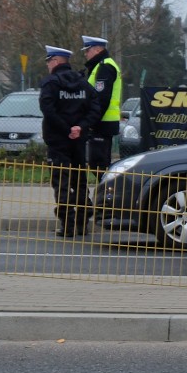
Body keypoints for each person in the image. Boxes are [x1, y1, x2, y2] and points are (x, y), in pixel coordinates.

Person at [39, 45, 101, 237]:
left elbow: (48, 111)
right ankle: (82, 224)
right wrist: (80, 127)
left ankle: (67, 226)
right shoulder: (83, 84)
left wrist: (67, 130)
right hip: (78, 141)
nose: (48, 65)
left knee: (62, 182)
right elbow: (95, 109)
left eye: (49, 61)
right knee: (80, 181)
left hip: (58, 141)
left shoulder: (51, 84)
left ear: (56, 61)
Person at [81, 35, 122, 174]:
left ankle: (109, 195)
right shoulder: (100, 65)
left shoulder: (105, 66)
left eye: (87, 50)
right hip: (102, 122)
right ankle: (106, 194)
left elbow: (101, 99)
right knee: (98, 164)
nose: (85, 54)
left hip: (102, 123)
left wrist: (91, 122)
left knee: (99, 166)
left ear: (97, 50)